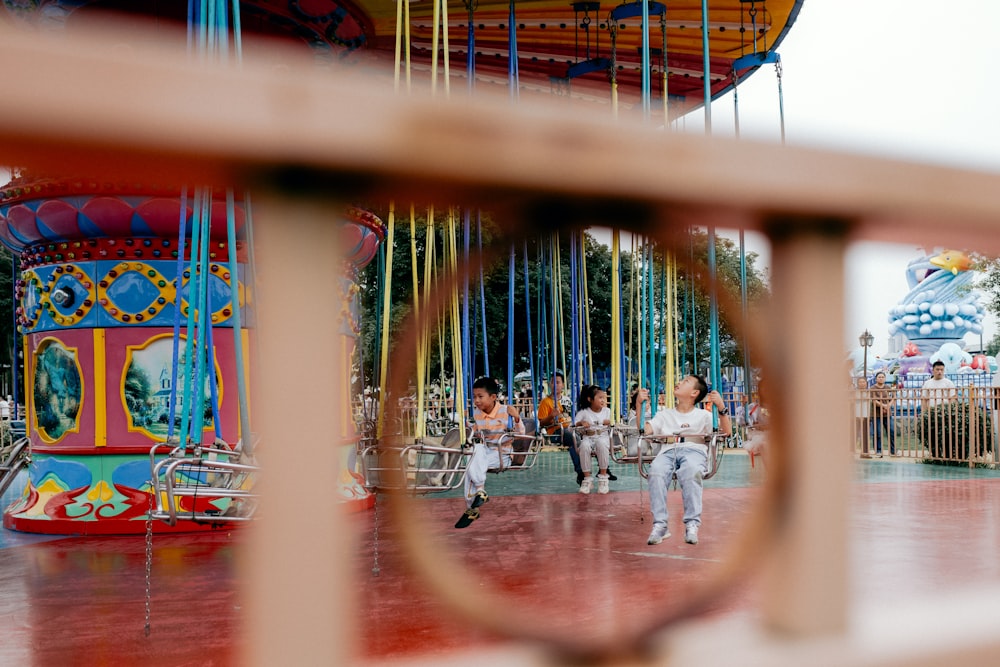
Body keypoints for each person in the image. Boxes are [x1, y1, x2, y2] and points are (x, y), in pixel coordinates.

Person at [636, 375, 731, 546]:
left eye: (685, 381)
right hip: (668, 450)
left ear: (694, 392)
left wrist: (721, 407)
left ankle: (692, 523)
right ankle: (660, 525)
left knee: (691, 471)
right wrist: (638, 405)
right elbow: (644, 430)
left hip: (694, 450)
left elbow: (727, 432)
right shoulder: (665, 415)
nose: (679, 382)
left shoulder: (704, 415)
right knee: (655, 472)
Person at [455, 376, 525, 529]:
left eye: (480, 396)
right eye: (474, 397)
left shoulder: (506, 411)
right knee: (475, 452)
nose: (476, 401)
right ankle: (477, 498)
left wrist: (517, 418)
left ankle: (474, 502)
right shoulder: (477, 414)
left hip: (503, 454)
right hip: (485, 452)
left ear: (493, 397)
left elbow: (521, 434)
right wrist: (466, 425)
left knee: (472, 465)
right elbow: (473, 432)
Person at [537, 371, 617, 485]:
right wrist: (551, 416)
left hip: (571, 427)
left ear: (563, 385)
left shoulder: (567, 400)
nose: (555, 385)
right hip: (557, 430)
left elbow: (575, 418)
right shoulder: (546, 402)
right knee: (575, 440)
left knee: (593, 436)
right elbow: (541, 423)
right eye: (553, 383)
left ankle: (604, 467)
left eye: (558, 382)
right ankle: (581, 472)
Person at [574, 384, 612, 495]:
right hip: (588, 436)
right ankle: (587, 479)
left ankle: (603, 477)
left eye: (604, 398)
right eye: (600, 398)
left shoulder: (607, 411)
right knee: (584, 446)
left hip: (602, 436)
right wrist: (581, 423)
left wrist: (609, 422)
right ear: (590, 399)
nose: (603, 400)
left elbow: (613, 422)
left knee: (601, 444)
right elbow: (575, 423)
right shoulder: (584, 412)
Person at [869, 371, 896, 457]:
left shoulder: (887, 387)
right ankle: (878, 450)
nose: (881, 378)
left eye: (882, 377)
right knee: (878, 432)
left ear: (885, 378)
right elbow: (874, 400)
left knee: (891, 431)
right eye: (879, 377)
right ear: (876, 378)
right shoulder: (873, 388)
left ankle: (893, 450)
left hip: (887, 413)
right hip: (876, 414)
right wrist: (883, 405)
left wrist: (888, 405)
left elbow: (893, 398)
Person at [854, 377, 870, 458]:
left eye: (863, 382)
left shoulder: (869, 392)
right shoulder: (854, 392)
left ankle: (864, 452)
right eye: (860, 382)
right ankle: (851, 452)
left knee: (865, 435)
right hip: (856, 415)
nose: (862, 383)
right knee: (854, 434)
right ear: (857, 383)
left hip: (866, 415)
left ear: (866, 383)